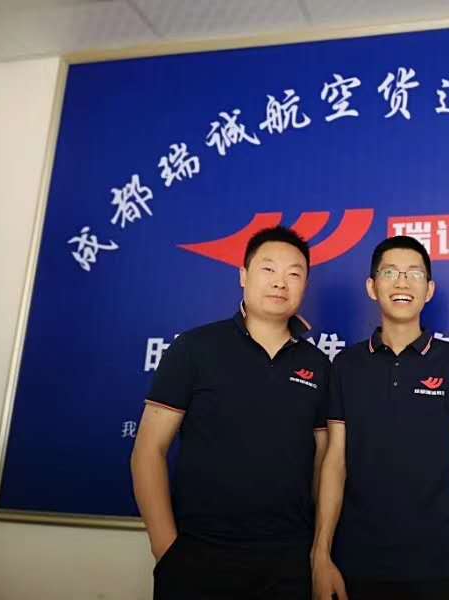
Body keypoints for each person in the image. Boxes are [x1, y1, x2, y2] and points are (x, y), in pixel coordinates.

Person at [131, 226, 330, 600]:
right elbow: (148, 451)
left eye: (294, 273)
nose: (280, 282)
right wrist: (167, 550)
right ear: (243, 275)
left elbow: (323, 463)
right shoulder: (194, 349)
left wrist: (317, 551)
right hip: (199, 554)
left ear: (305, 285)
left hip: (288, 561)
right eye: (268, 269)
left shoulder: (318, 365)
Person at [312, 235, 449, 600]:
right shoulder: (346, 365)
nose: (402, 282)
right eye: (390, 272)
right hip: (356, 559)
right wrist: (321, 555)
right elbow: (334, 462)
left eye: (414, 273)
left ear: (429, 290)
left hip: (437, 561)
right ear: (372, 286)